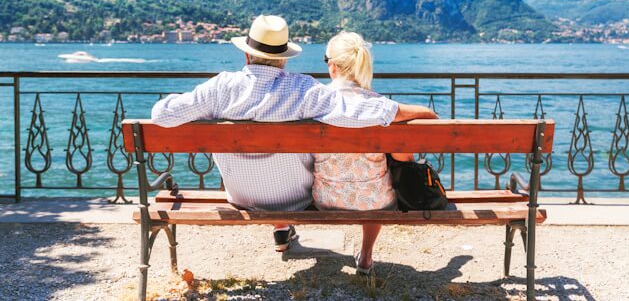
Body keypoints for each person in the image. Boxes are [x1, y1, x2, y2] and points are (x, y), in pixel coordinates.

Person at [151, 15, 437, 252]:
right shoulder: (302, 89)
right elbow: (357, 112)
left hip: (238, 196)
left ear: (247, 53)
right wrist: (415, 111)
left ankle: (281, 229)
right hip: (295, 201)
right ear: (284, 59)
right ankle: (285, 223)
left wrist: (202, 102)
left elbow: (161, 115)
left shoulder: (219, 87)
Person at [312, 31, 437, 274]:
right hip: (376, 202)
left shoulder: (314, 101)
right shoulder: (381, 106)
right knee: (376, 180)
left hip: (324, 199)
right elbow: (429, 116)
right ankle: (366, 257)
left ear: (333, 66)